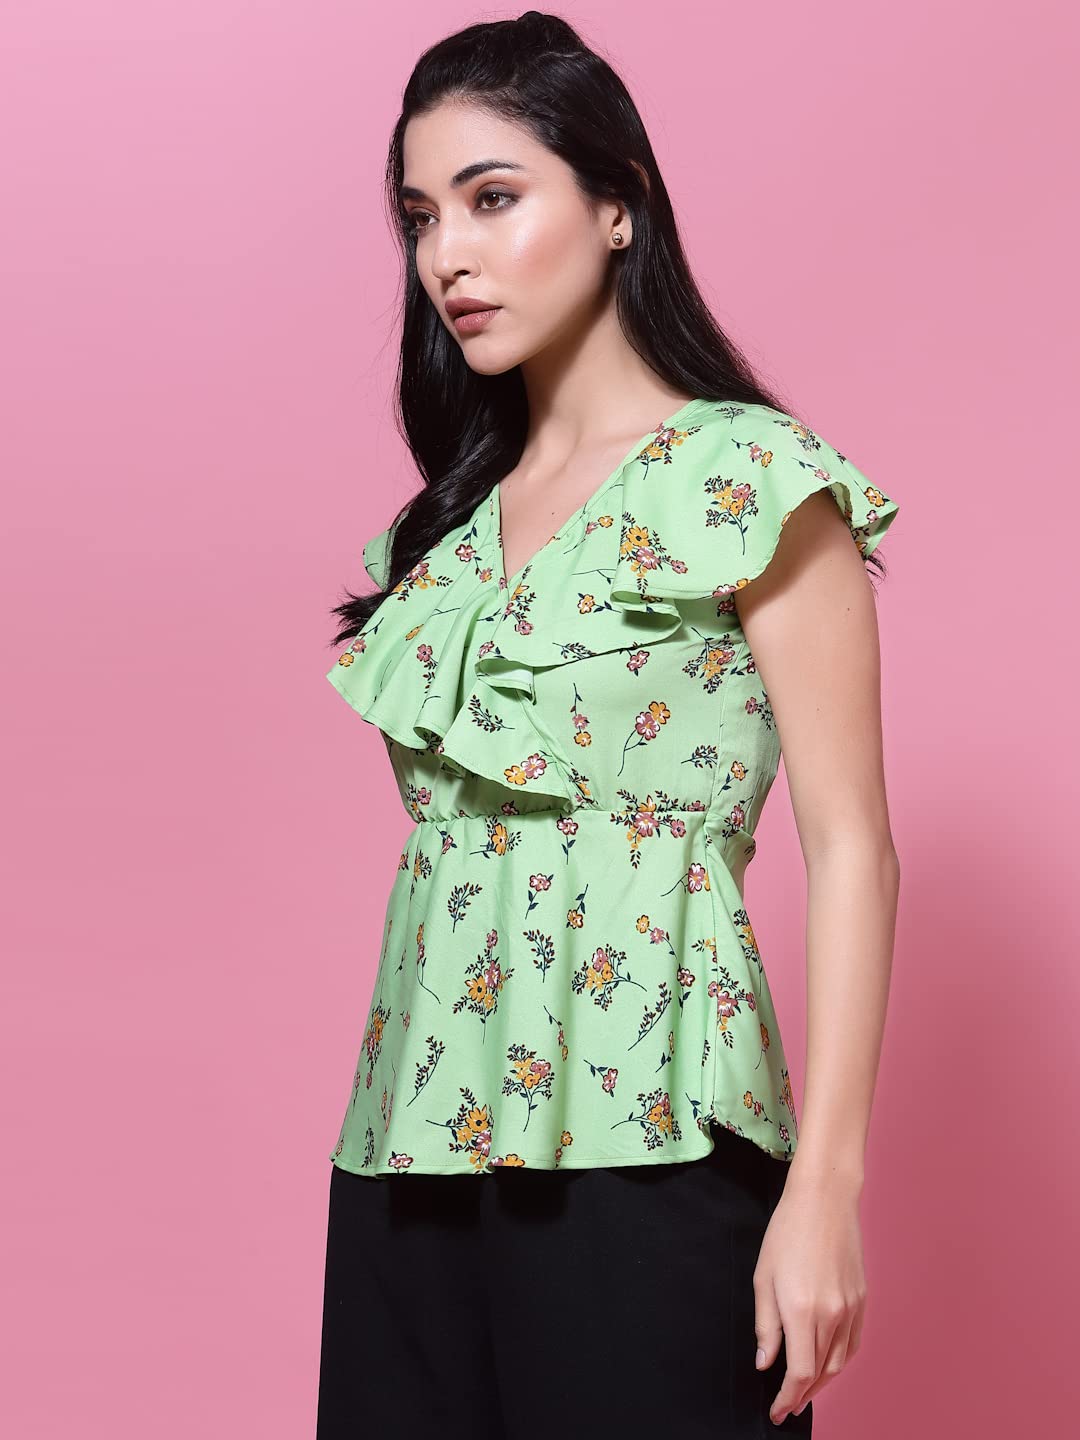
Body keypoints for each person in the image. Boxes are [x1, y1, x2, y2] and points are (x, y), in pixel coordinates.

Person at [316, 11, 901, 1437]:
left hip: (658, 1134)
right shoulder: (441, 535)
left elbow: (852, 847)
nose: (447, 257)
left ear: (619, 201)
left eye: (492, 197)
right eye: (421, 216)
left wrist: (824, 1191)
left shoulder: (749, 480)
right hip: (408, 1148)